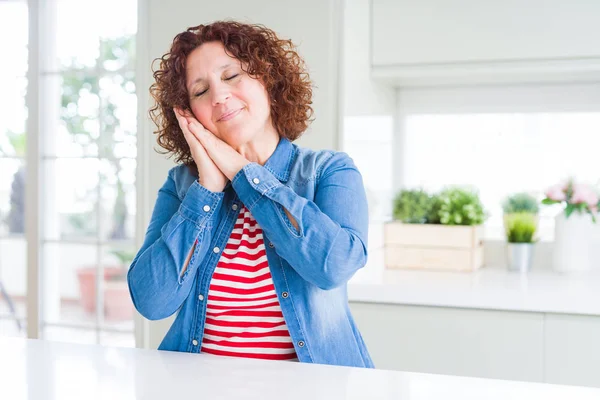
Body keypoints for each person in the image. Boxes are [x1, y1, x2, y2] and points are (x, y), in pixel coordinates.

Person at [128, 20, 373, 368]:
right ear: (190, 116)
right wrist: (208, 188)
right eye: (200, 91)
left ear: (268, 80)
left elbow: (333, 267)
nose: (218, 96)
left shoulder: (329, 171)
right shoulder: (183, 185)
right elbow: (152, 302)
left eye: (231, 76)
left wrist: (243, 173)